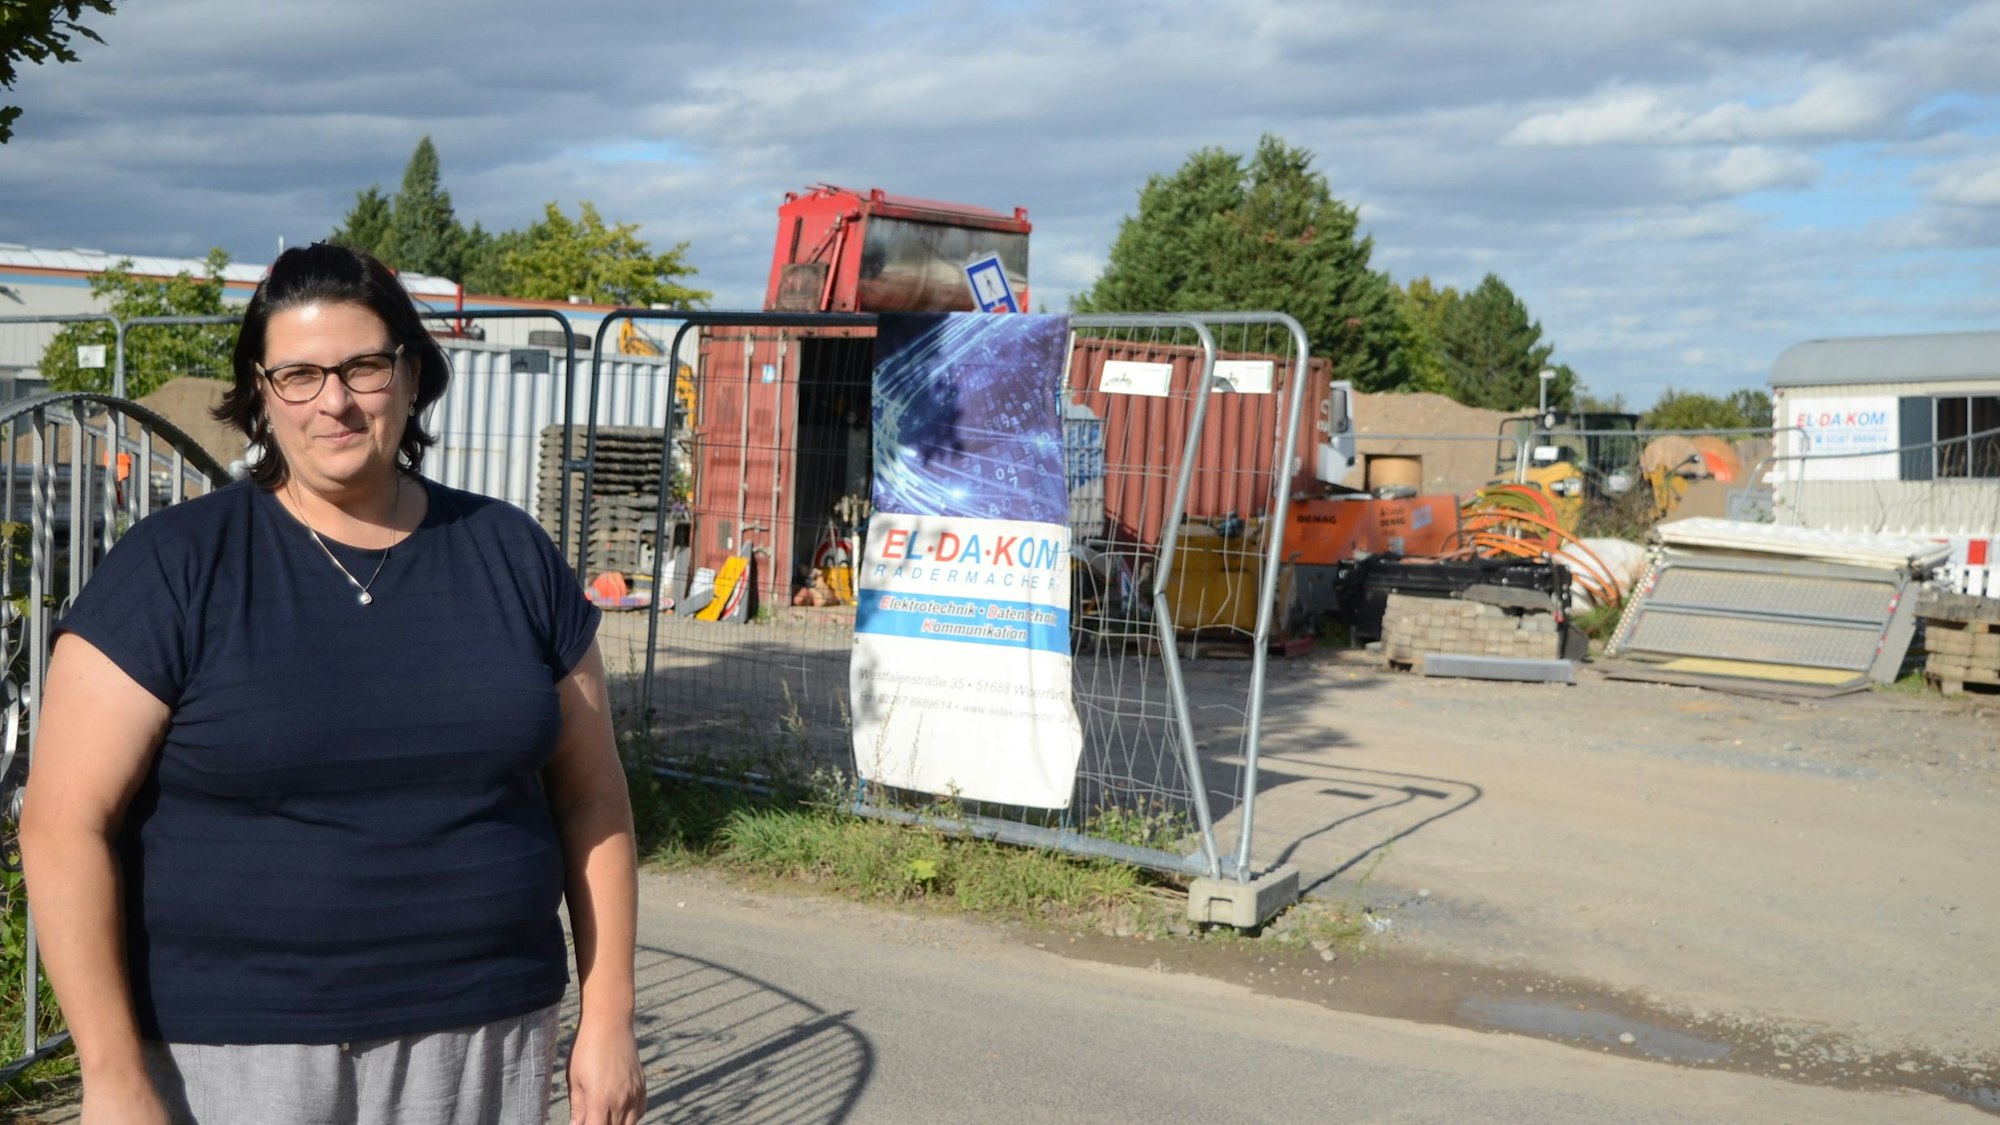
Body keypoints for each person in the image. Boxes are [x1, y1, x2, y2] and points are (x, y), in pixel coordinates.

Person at [19, 242, 647, 1125]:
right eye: (301, 375)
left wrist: (608, 1018)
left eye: (363, 366)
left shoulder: (510, 556)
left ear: (412, 372)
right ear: (262, 392)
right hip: (233, 1056)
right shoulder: (176, 567)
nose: (336, 401)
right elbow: (60, 822)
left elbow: (594, 800)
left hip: (485, 1039)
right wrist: (113, 1074)